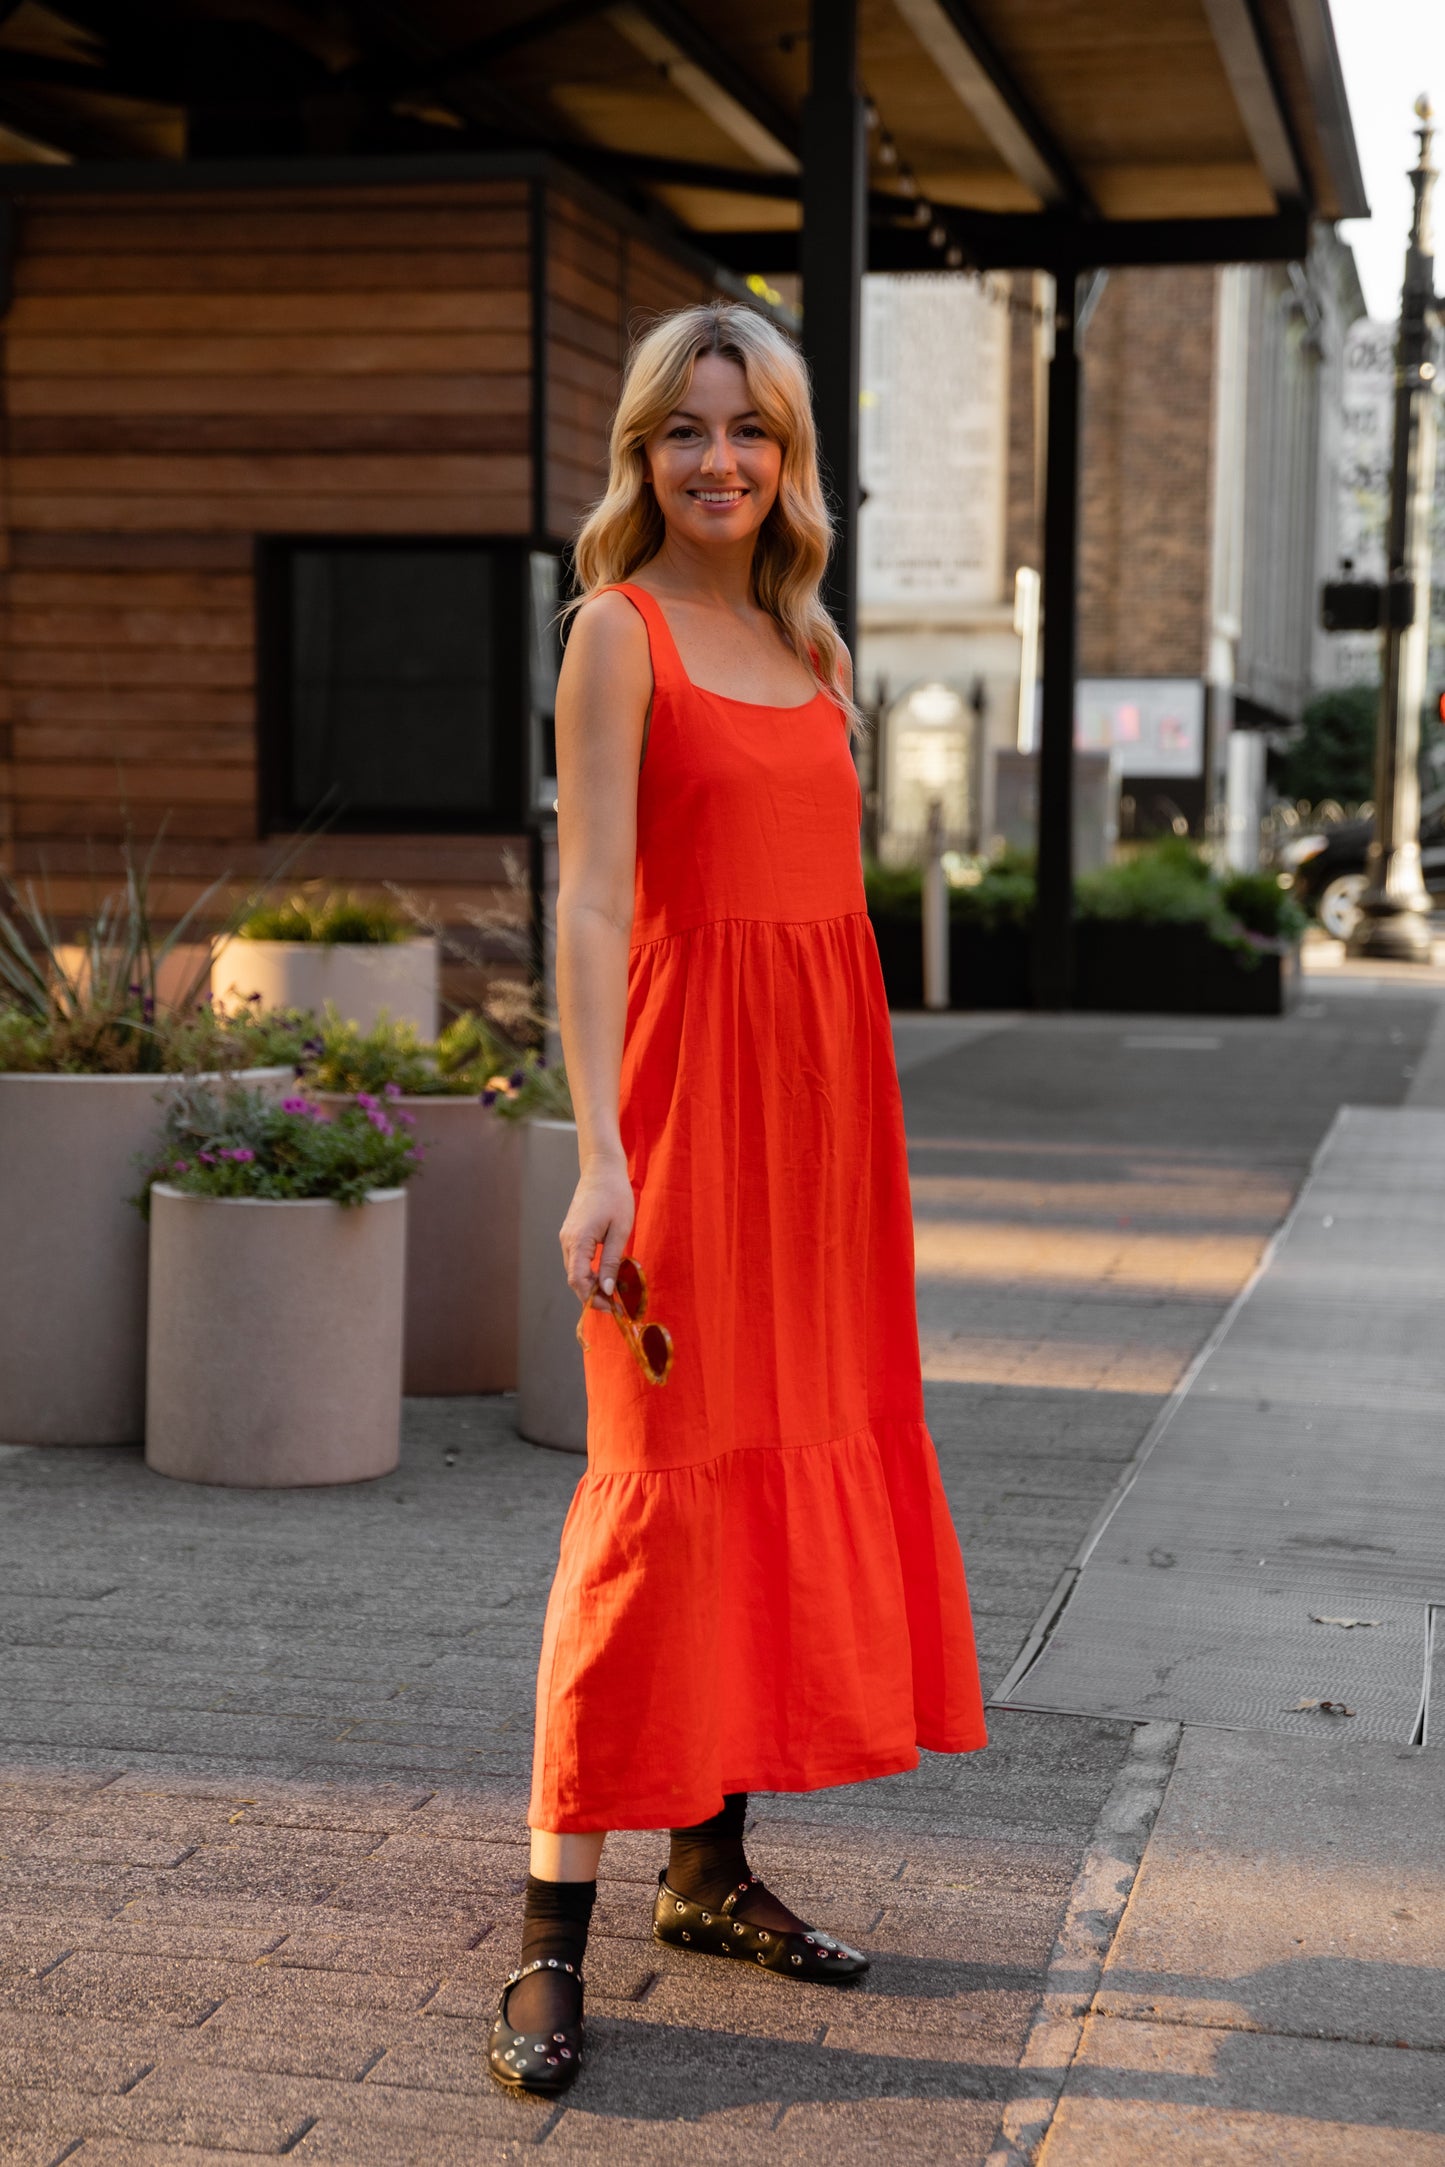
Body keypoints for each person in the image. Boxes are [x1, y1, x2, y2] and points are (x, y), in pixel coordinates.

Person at [489, 302, 987, 2098]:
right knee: (651, 1497)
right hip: (687, 1113)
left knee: (772, 1477)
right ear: (640, 453)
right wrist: (601, 1147)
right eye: (683, 431)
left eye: (749, 431)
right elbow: (597, 910)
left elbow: (823, 918)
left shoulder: (812, 640)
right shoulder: (614, 638)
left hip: (825, 1126)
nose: (717, 461)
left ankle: (707, 1873)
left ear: (790, 460)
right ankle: (552, 1932)